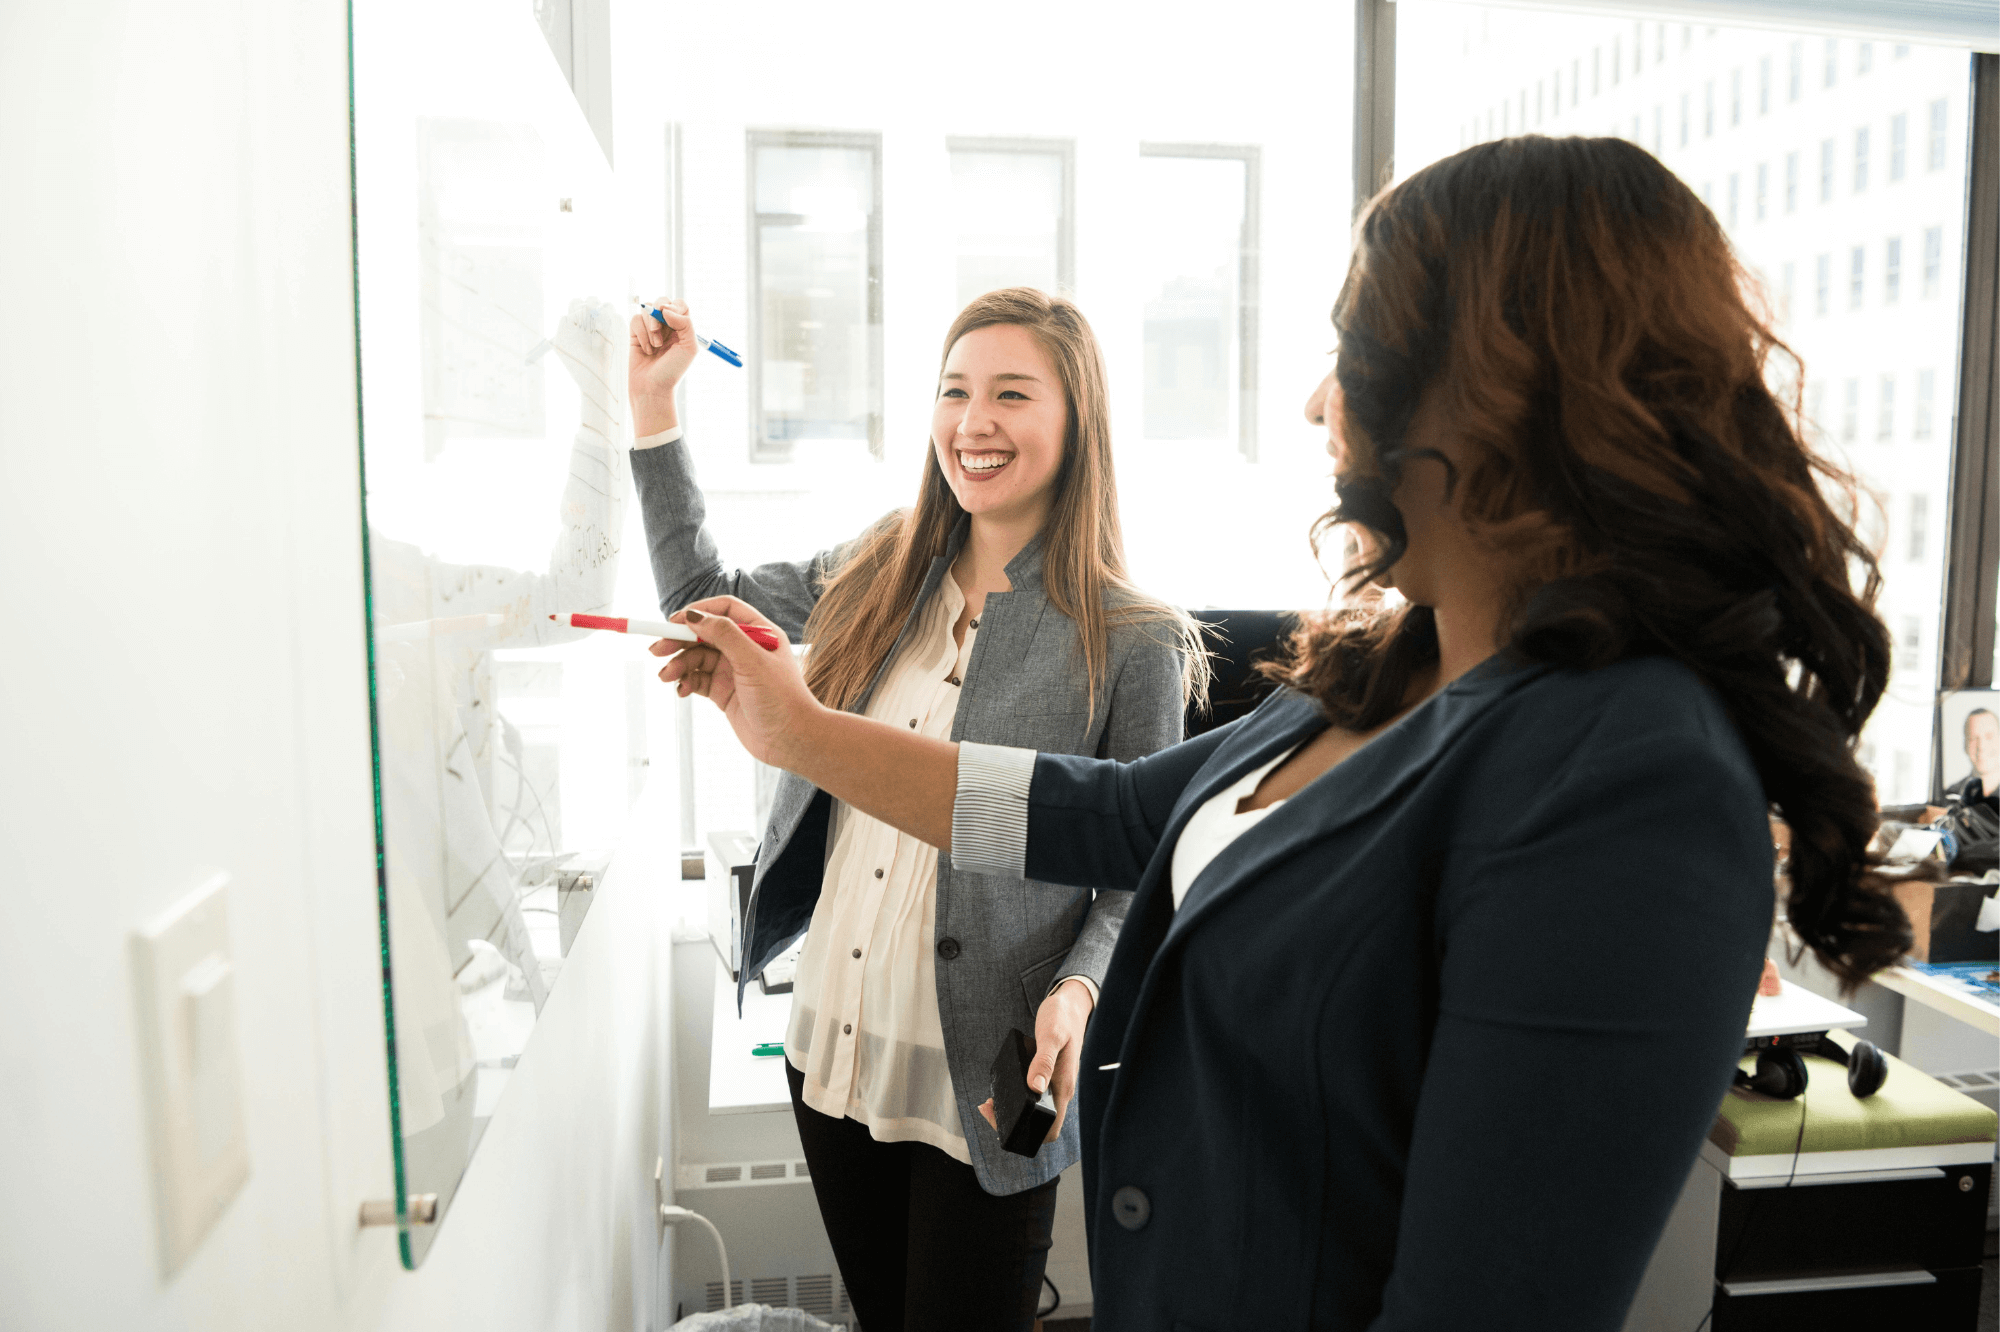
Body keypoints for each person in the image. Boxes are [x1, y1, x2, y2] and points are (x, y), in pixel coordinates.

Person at [652, 137, 1913, 1329]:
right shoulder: (1375, 671)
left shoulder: (1627, 775)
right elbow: (1110, 812)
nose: (1317, 403)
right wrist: (799, 733)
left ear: (1496, 386)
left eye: (1350, 351)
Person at [625, 288, 1201, 1329]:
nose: (972, 422)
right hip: (833, 1045)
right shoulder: (876, 568)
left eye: (1010, 394)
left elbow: (1138, 870)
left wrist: (1077, 990)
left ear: (1076, 422)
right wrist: (652, 408)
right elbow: (702, 595)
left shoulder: (1133, 637)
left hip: (989, 1074)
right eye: (954, 391)